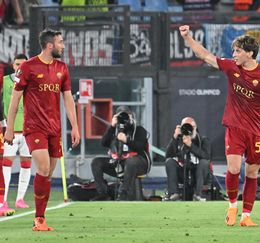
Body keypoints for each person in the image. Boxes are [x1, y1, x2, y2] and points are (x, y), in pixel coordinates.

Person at [180, 25, 260, 227]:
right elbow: (205, 56)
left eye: (237, 51)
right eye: (233, 50)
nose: (233, 54)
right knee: (234, 169)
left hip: (256, 131)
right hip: (234, 128)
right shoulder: (232, 67)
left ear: (250, 53)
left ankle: (246, 216)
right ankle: (233, 206)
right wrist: (188, 37)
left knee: (252, 173)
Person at [4, 28, 80, 231]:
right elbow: (15, 98)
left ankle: (41, 217)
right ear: (49, 45)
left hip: (54, 129)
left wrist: (75, 126)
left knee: (47, 174)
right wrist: (10, 128)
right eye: (60, 42)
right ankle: (38, 219)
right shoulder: (28, 67)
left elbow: (67, 98)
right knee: (44, 168)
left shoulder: (62, 67)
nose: (63, 46)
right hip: (34, 127)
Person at [91, 106, 151, 201]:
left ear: (132, 116)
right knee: (96, 162)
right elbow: (103, 143)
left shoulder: (139, 130)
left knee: (131, 162)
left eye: (126, 116)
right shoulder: (114, 130)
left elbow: (140, 147)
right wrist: (112, 127)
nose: (124, 119)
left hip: (139, 164)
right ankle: (103, 193)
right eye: (121, 116)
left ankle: (123, 194)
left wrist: (127, 140)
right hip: (119, 163)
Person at [1, 54, 32, 210]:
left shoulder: (32, 82)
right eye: (17, 64)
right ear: (13, 66)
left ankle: (20, 198)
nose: (20, 67)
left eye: (23, 64)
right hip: (10, 131)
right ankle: (3, 199)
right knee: (6, 164)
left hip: (29, 131)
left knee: (26, 165)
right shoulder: (5, 81)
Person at [163, 117, 211, 202]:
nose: (189, 130)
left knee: (204, 162)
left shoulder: (203, 140)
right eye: (186, 126)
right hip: (183, 173)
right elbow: (167, 156)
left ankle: (197, 195)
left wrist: (191, 145)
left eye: (191, 127)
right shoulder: (179, 140)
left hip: (198, 174)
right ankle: (174, 194)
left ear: (195, 127)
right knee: (169, 162)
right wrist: (174, 137)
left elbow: (206, 157)